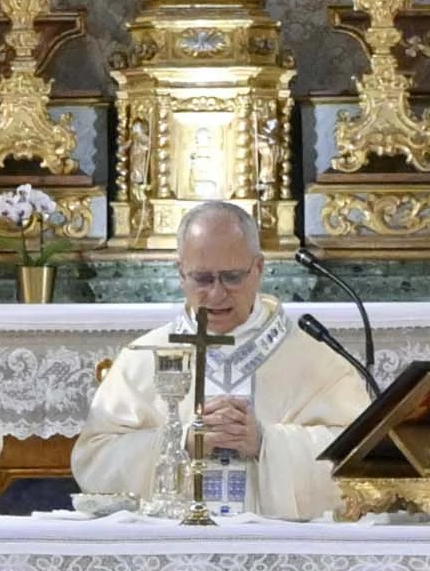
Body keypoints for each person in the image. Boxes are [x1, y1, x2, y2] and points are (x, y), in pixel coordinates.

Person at [78, 203, 374, 522]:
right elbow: (94, 462)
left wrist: (265, 444)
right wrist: (181, 443)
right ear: (181, 273)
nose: (217, 294)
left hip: (280, 552)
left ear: (258, 269)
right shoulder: (144, 357)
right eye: (202, 278)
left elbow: (360, 462)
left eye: (232, 277)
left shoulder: (317, 360)